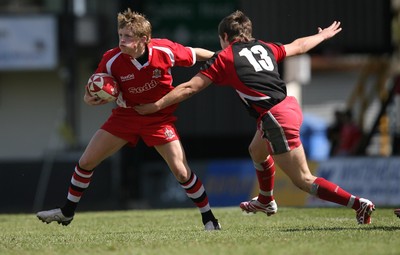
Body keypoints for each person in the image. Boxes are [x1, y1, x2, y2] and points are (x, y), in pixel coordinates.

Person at [134, 10, 375, 224]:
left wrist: (156, 104)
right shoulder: (264, 47)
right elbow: (298, 46)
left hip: (275, 117)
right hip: (287, 107)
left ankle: (358, 204)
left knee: (303, 179)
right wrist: (322, 36)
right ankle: (266, 200)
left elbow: (189, 88)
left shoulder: (225, 57)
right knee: (257, 150)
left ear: (225, 38)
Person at [36, 8, 221, 231]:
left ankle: (209, 218)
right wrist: (90, 97)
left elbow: (194, 53)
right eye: (120, 35)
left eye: (127, 37)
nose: (122, 41)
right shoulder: (112, 59)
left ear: (144, 39)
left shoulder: (164, 50)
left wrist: (222, 58)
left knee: (181, 172)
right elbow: (92, 86)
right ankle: (67, 213)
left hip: (159, 118)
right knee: (86, 162)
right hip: (126, 116)